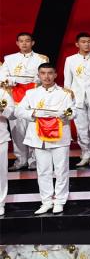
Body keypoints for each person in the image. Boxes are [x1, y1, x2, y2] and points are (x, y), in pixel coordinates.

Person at [15, 63, 75, 214]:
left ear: (55, 75)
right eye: (43, 73)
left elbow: (74, 112)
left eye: (50, 73)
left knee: (61, 170)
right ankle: (46, 201)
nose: (46, 76)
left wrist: (65, 114)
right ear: (39, 75)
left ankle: (60, 201)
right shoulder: (31, 93)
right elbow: (18, 111)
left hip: (59, 136)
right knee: (43, 171)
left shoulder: (65, 93)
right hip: (38, 137)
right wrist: (33, 114)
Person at [2, 33, 48, 170]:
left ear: (32, 43)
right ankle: (21, 160)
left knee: (33, 130)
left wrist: (33, 80)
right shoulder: (9, 59)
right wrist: (15, 80)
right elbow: (3, 77)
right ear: (17, 43)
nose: (24, 43)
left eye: (27, 41)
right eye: (21, 41)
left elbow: (44, 76)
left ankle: (34, 160)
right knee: (17, 132)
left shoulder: (41, 58)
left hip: (33, 98)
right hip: (14, 97)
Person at [63, 32, 90, 167]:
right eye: (83, 42)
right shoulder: (70, 60)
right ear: (77, 44)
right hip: (77, 98)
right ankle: (85, 153)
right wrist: (68, 100)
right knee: (81, 128)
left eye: (89, 41)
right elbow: (67, 81)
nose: (87, 44)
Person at [0, 86, 12, 215]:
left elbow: (12, 114)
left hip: (1, 138)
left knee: (1, 173)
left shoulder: (3, 93)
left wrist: (3, 110)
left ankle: (0, 203)